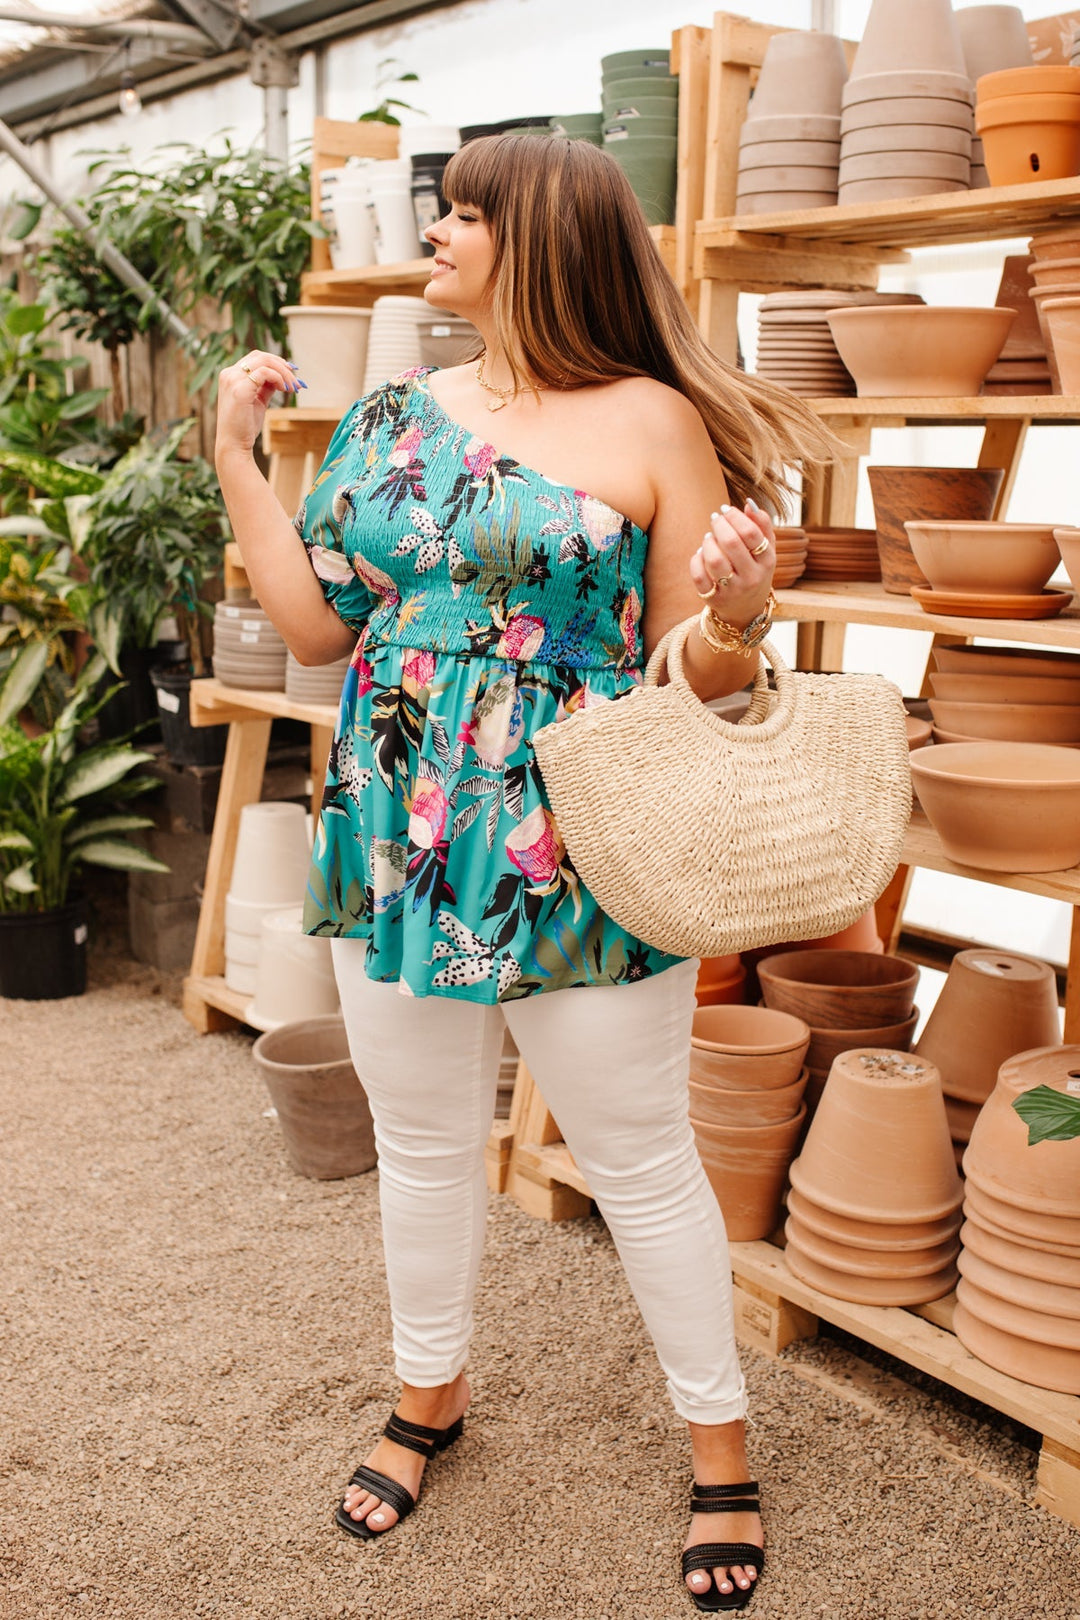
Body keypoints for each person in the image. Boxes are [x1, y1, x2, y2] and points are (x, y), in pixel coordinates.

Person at [215, 132, 833, 1613]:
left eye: (463, 216)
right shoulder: (384, 418)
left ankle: (722, 1447)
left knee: (638, 1159)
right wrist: (230, 453)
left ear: (539, 239)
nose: (435, 234)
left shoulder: (657, 425)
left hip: (583, 835)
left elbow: (699, 680)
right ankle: (429, 1395)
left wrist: (743, 611)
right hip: (393, 819)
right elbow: (313, 630)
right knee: (423, 1142)